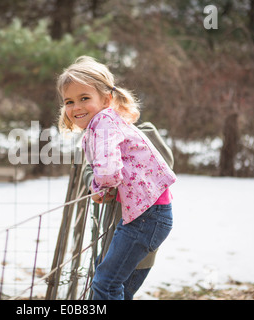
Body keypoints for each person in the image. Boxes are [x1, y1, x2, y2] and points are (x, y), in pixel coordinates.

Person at [57, 56, 177, 300]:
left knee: (105, 284)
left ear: (106, 99)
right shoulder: (105, 122)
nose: (76, 107)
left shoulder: (104, 122)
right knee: (120, 288)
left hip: (146, 217)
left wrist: (99, 188)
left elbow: (109, 172)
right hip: (151, 214)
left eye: (84, 98)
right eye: (69, 101)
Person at [82, 122, 175, 300]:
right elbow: (89, 168)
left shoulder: (143, 131)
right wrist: (96, 185)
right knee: (102, 288)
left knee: (109, 288)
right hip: (112, 239)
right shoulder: (99, 138)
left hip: (137, 240)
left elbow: (163, 162)